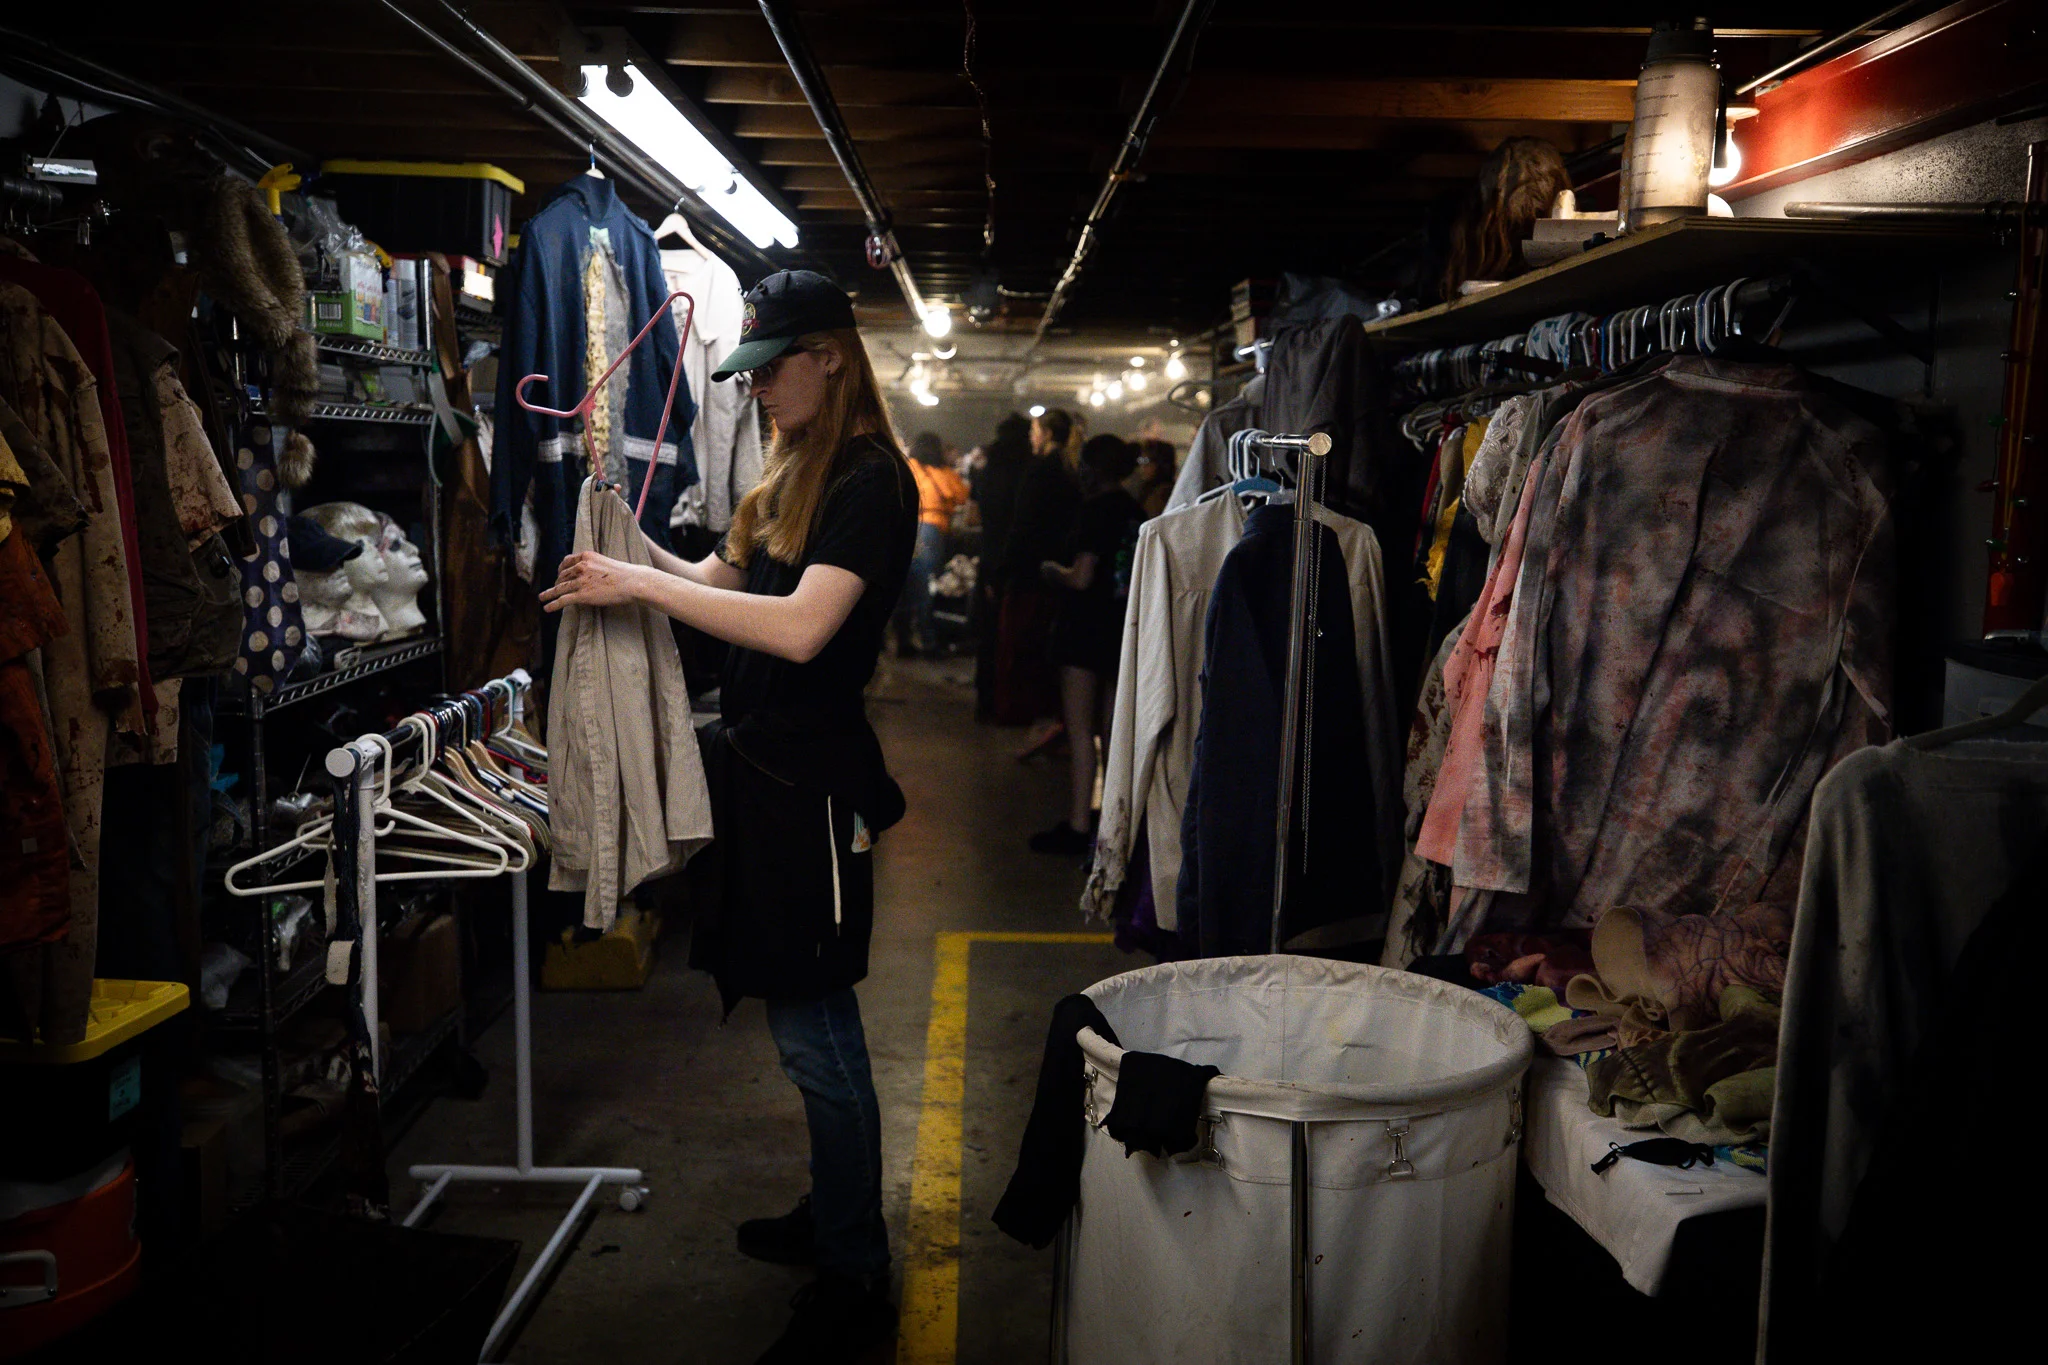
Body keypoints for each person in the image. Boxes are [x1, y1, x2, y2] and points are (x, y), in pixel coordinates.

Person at [540, 269, 914, 1363]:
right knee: (796, 1026)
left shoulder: (870, 483)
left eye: (771, 372)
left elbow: (796, 631)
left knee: (819, 1035)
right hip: (765, 782)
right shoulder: (794, 472)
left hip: (814, 789)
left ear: (829, 357)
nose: (754, 394)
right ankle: (830, 1215)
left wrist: (639, 591)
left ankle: (854, 1269)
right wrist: (626, 548)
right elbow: (715, 575)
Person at [1031, 434, 1143, 854]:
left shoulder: (1094, 512)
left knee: (1080, 733)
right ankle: (1115, 831)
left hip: (1083, 631)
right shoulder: (1135, 511)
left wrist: (1050, 571)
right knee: (1115, 735)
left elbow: (1081, 576)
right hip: (1121, 626)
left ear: (1091, 469)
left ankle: (1079, 826)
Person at [992, 407, 1082, 739]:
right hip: (1058, 573)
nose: (1031, 436)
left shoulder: (1040, 471)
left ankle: (1023, 715)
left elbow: (1023, 525)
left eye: (1034, 430)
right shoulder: (1071, 470)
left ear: (1044, 434)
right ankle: (1047, 717)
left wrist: (1004, 570)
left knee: (1020, 649)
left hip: (1030, 573)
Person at [969, 413, 1032, 720]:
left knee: (988, 633)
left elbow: (978, 511)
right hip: (1020, 561)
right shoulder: (1031, 469)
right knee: (1016, 635)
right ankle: (1012, 704)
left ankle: (985, 699)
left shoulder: (986, 469)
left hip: (990, 554)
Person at [896, 430, 968, 656]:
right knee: (925, 586)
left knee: (903, 586)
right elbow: (961, 496)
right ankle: (929, 641)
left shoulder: (909, 467)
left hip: (905, 527)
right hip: (931, 531)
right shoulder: (944, 472)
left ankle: (903, 641)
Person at [1132, 437, 1177, 519]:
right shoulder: (1148, 490)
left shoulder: (1161, 495)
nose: (1142, 467)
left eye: (1146, 461)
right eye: (1141, 460)